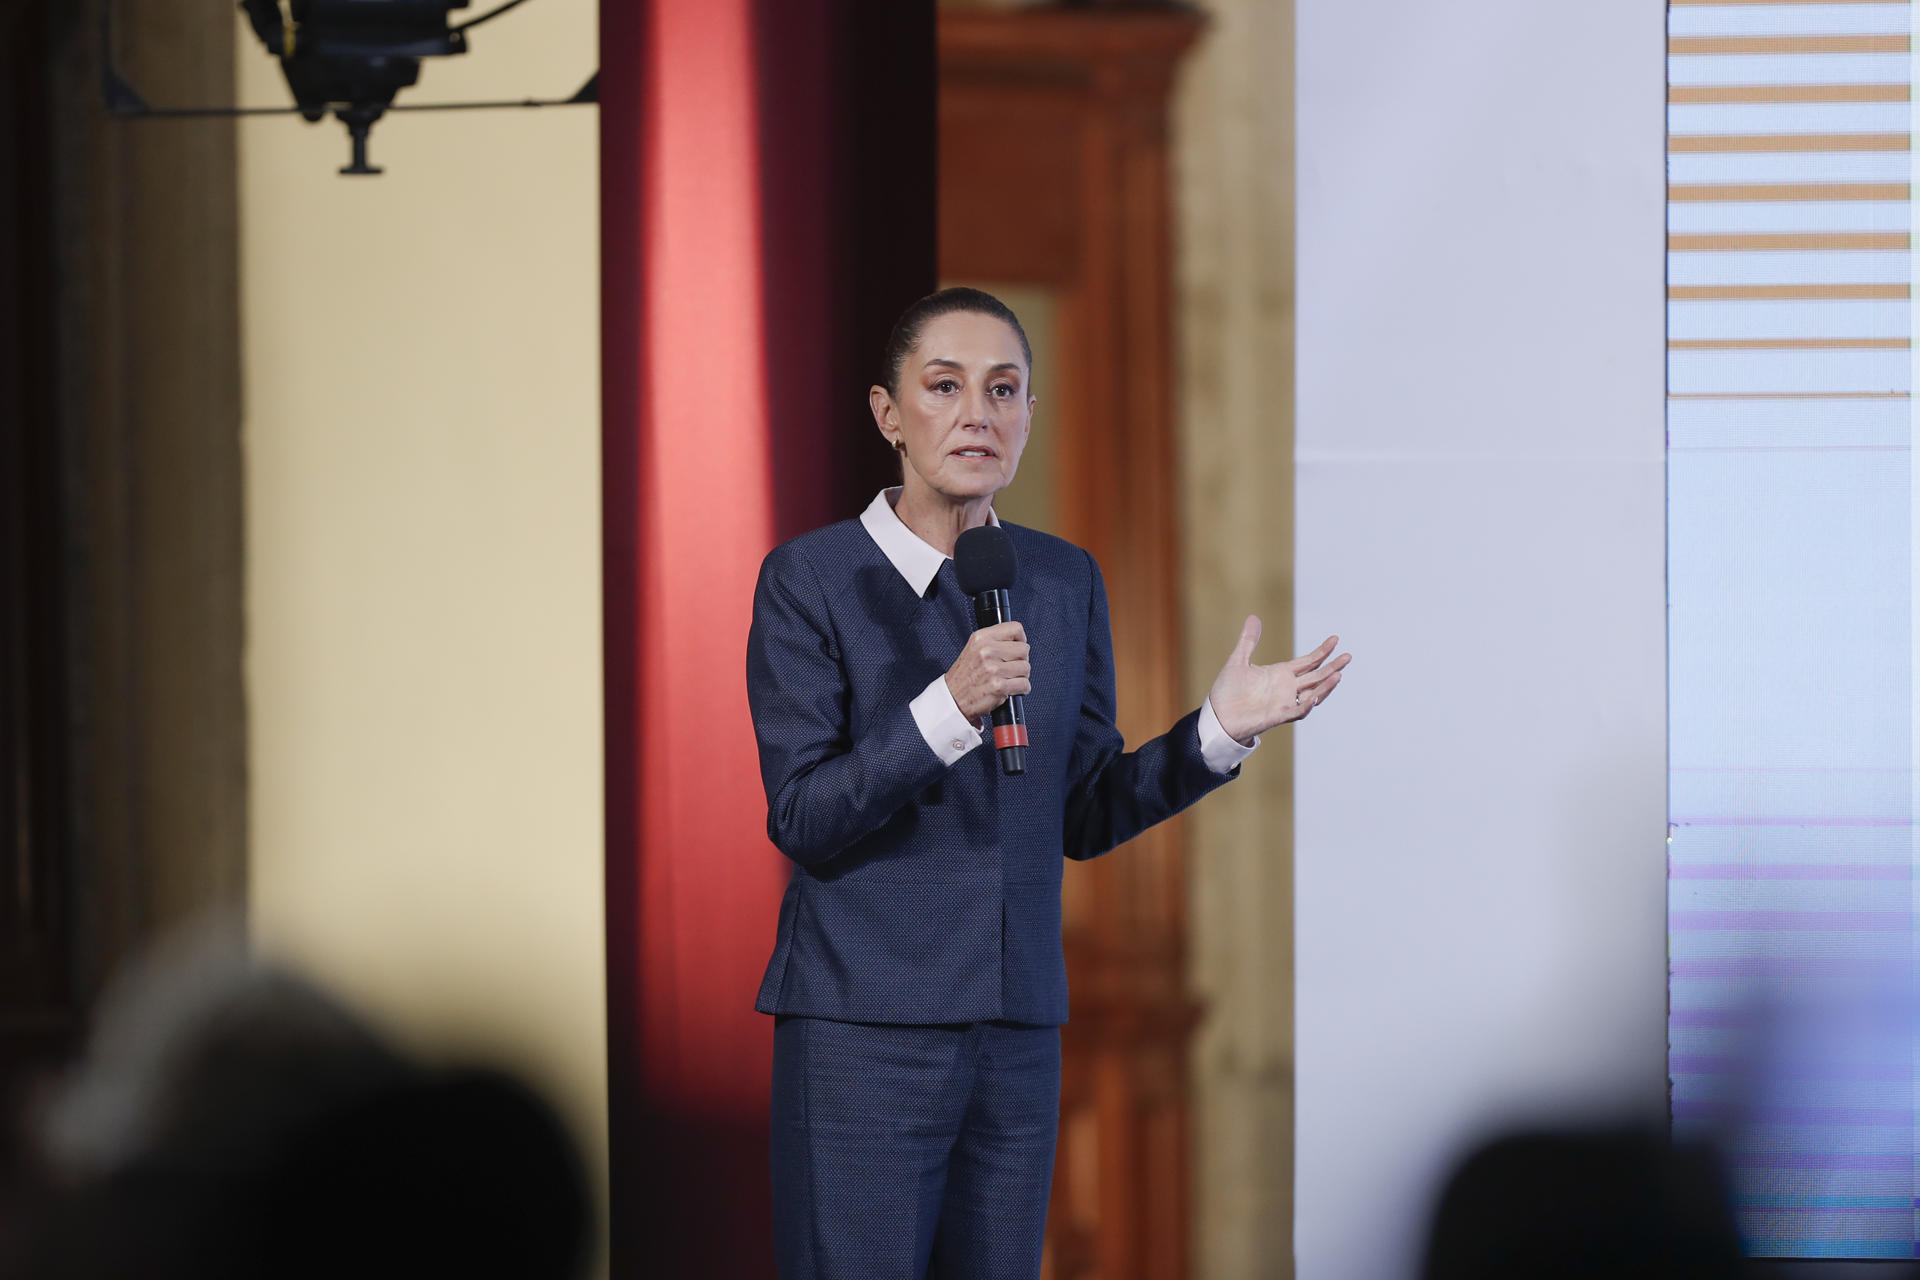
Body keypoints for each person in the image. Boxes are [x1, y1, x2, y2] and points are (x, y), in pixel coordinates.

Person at [746, 287, 1349, 1279]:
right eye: (944, 387)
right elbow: (805, 814)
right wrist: (947, 705)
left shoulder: (1062, 579)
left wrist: (1213, 733)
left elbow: (1082, 808)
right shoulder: (811, 579)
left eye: (1005, 389)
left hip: (1017, 1035)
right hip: (866, 1035)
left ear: (1029, 415)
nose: (978, 412)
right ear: (889, 415)